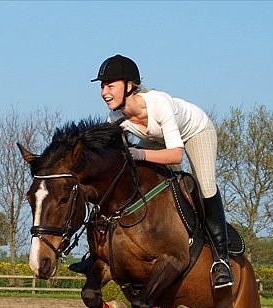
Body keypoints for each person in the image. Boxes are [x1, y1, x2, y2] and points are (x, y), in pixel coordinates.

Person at [91, 54, 233, 289]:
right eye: (102, 86)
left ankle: (221, 260)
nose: (104, 92)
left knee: (205, 185)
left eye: (110, 85)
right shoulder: (115, 118)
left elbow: (176, 155)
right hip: (158, 140)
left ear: (128, 86)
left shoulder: (158, 104)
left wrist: (139, 154)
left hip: (196, 132)